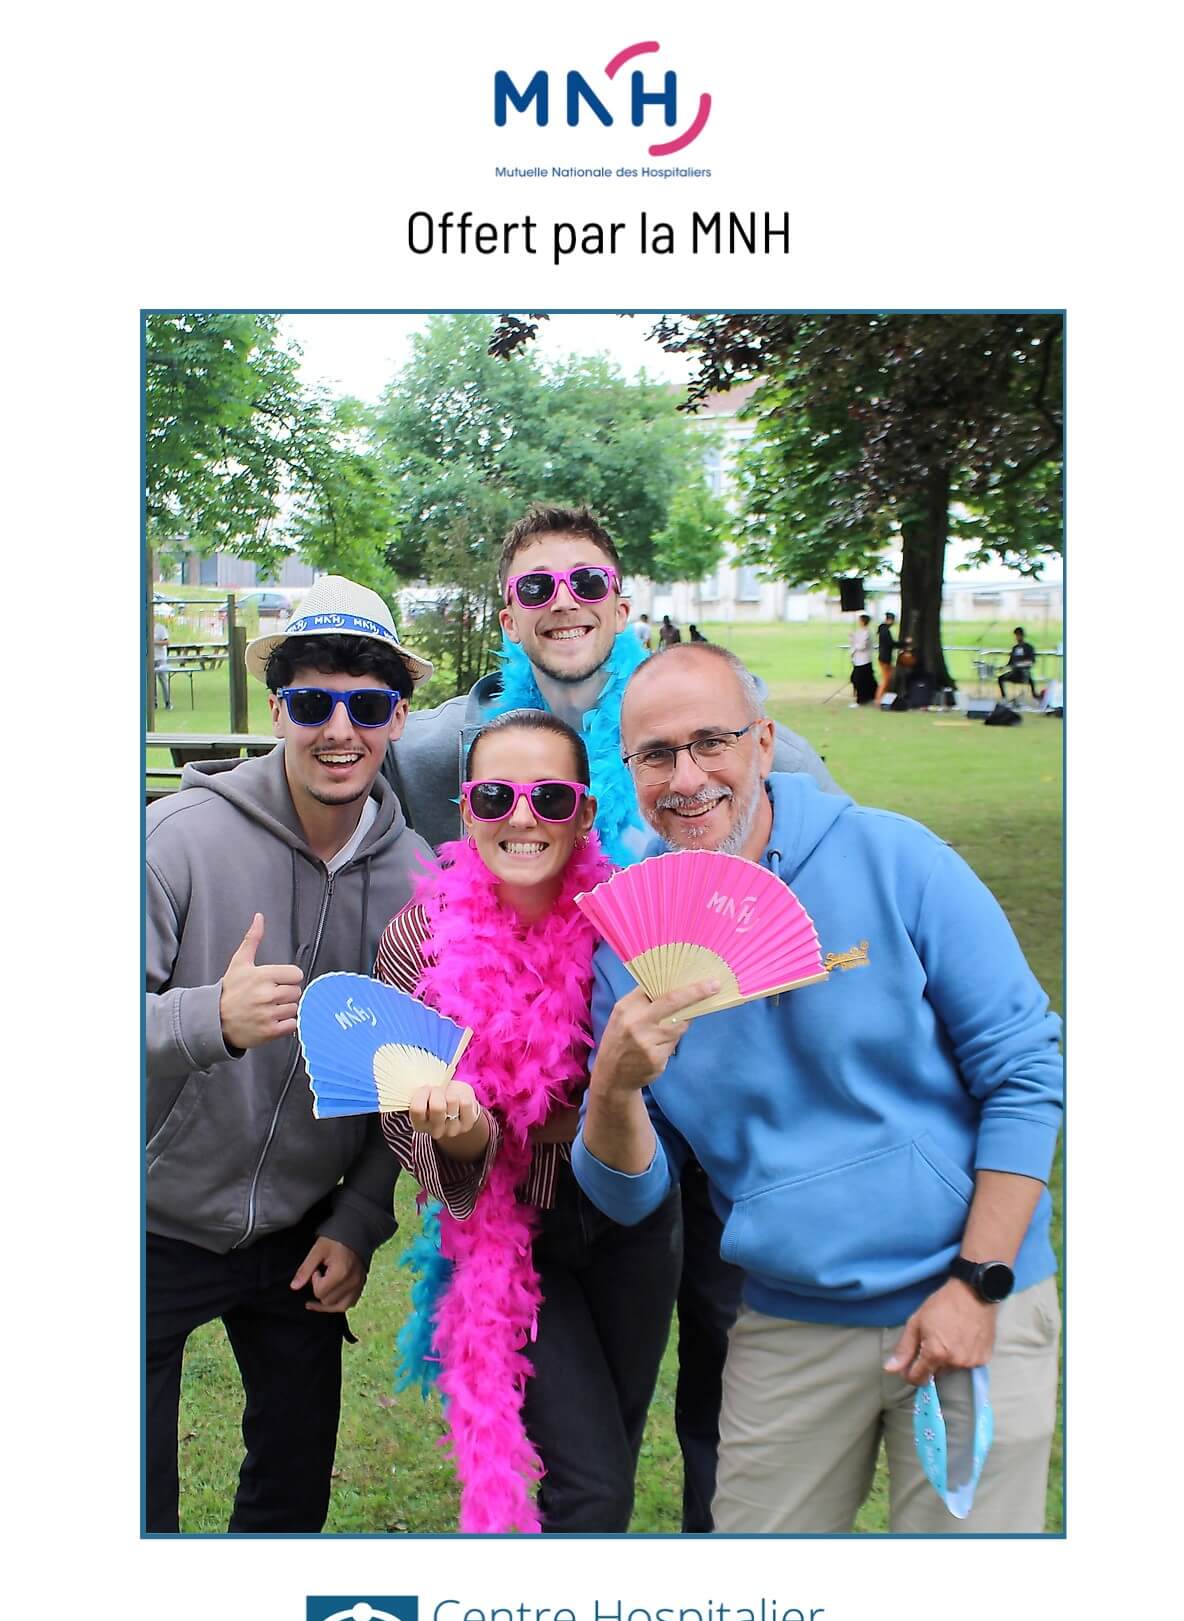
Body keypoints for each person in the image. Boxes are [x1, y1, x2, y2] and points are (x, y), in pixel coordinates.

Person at [381, 503, 844, 1533]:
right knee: (592, 1458)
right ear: (507, 616)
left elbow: (816, 846)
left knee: (719, 1371)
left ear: (621, 600)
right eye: (536, 588)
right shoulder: (452, 747)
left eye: (586, 583)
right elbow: (358, 791)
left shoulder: (685, 717)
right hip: (547, 1156)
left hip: (711, 1123)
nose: (564, 605)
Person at [573, 641, 1063, 1534]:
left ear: (764, 743)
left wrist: (981, 1280)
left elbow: (1025, 1070)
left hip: (970, 1292)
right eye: (655, 755)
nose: (686, 778)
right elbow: (633, 1193)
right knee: (764, 1618)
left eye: (711, 742)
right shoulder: (628, 941)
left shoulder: (894, 859)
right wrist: (614, 1090)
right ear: (630, 768)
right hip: (790, 1319)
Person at [145, 576, 434, 1533]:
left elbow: (405, 1074)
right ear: (279, 710)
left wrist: (357, 1219)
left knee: (291, 1492)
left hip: (300, 1235)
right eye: (312, 702)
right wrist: (206, 1018)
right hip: (147, 1223)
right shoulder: (175, 840)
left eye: (368, 704)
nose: (338, 728)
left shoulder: (419, 881)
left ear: (398, 718)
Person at [376, 711, 681, 1533]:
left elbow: (681, 1077)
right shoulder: (420, 942)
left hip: (635, 1227)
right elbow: (413, 1136)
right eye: (495, 795)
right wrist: (472, 1132)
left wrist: (583, 1107)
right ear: (465, 809)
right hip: (514, 1235)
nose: (522, 817)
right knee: (593, 1486)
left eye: (550, 796)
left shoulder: (630, 921)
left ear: (584, 812)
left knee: (609, 1446)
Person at [998, 627, 1042, 702]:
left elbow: (1031, 661)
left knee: (1026, 676)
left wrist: (1020, 664)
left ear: (1022, 635)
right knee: (1000, 678)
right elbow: (1010, 663)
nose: (1017, 637)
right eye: (1016, 635)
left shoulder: (1029, 647)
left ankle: (1034, 694)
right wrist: (1003, 667)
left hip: (1024, 672)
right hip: (1014, 673)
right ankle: (1004, 698)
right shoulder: (1015, 648)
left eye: (1018, 635)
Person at [849, 612, 878, 705]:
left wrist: (855, 644)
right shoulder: (859, 631)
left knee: (861, 680)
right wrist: (852, 638)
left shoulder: (867, 632)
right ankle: (867, 697)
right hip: (857, 660)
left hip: (864, 660)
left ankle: (862, 699)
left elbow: (862, 646)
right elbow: (855, 642)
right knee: (855, 678)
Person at [875, 611, 896, 706]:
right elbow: (890, 644)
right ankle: (878, 699)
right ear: (890, 620)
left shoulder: (883, 629)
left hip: (884, 657)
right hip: (885, 658)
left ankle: (883, 698)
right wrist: (905, 643)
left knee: (889, 678)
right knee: (886, 679)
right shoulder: (885, 631)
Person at [153, 617, 172, 710]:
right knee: (151, 682)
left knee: (163, 680)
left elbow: (167, 642)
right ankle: (153, 702)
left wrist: (155, 642)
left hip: (160, 658)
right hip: (150, 658)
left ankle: (168, 702)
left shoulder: (160, 628)